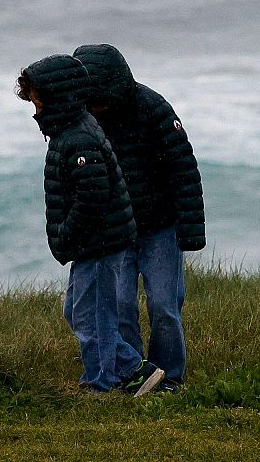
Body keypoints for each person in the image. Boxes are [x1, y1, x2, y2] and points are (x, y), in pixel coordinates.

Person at [16, 54, 163, 396]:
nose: (35, 112)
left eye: (38, 102)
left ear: (59, 98)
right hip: (96, 243)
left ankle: (101, 383)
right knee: (77, 312)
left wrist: (68, 234)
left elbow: (93, 195)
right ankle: (134, 368)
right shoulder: (69, 132)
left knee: (91, 316)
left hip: (98, 244)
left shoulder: (78, 138)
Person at [73, 44, 204, 392]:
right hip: (117, 233)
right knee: (121, 306)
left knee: (164, 305)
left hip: (161, 227)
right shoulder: (81, 120)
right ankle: (134, 377)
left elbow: (183, 168)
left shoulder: (152, 107)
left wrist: (190, 231)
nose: (97, 108)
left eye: (100, 100)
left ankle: (170, 377)